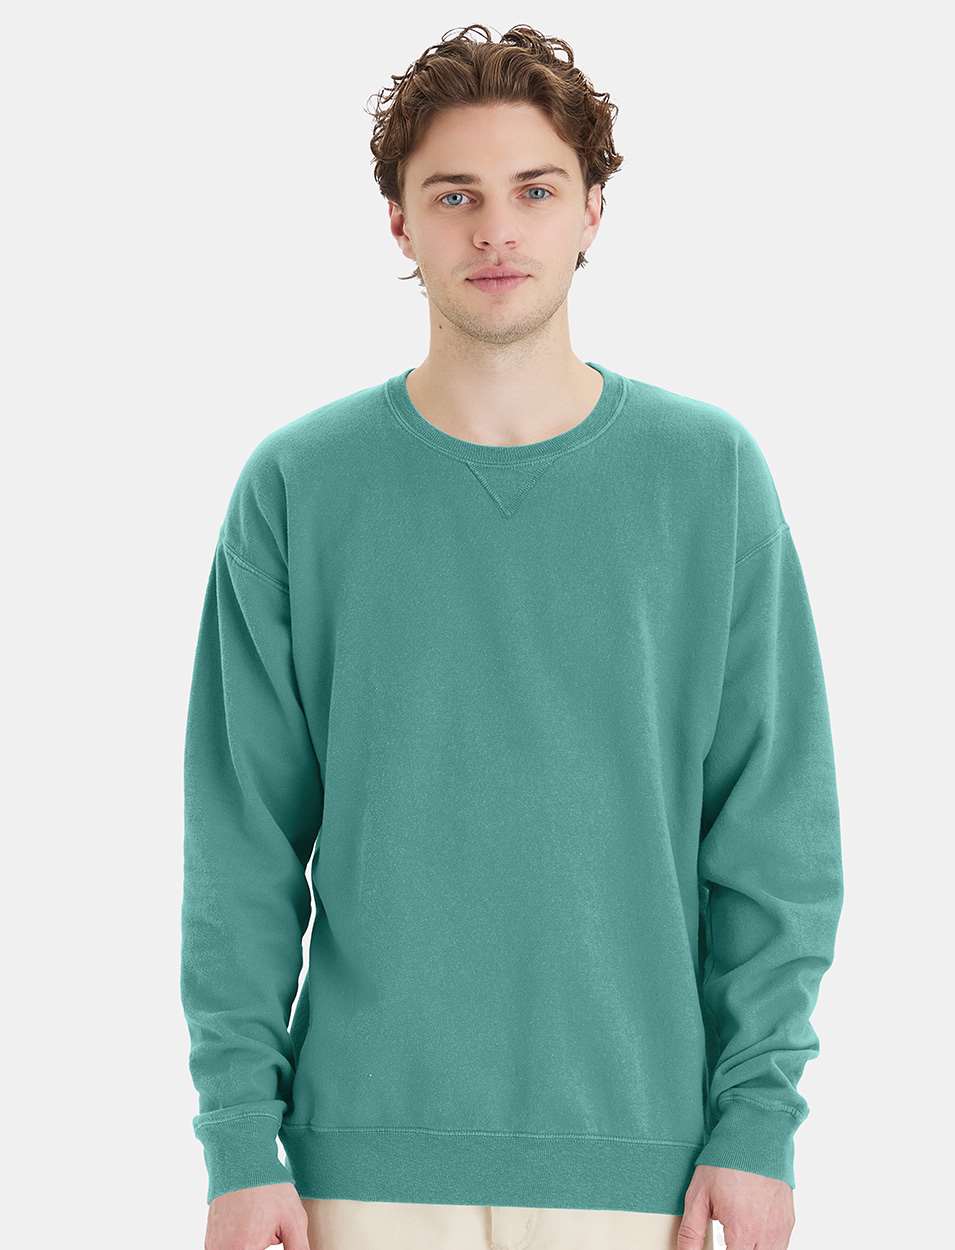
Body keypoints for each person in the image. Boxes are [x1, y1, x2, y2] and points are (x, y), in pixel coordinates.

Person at [180, 23, 844, 1250]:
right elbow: (241, 848)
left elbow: (773, 834)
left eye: (534, 190)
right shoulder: (299, 488)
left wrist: (758, 1122)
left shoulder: (708, 478)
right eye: (456, 195)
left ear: (592, 210)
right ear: (399, 223)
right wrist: (237, 1138)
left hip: (644, 1164)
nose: (496, 230)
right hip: (351, 1168)